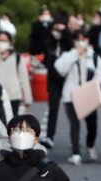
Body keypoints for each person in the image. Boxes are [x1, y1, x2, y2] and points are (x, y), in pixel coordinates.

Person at [54, 29, 101, 165]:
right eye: (78, 39)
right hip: (71, 95)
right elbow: (60, 69)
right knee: (74, 125)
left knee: (92, 123)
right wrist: (75, 54)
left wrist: (98, 83)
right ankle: (76, 152)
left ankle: (90, 145)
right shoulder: (69, 55)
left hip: (89, 94)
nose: (81, 42)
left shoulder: (94, 57)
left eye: (84, 39)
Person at [30, 13, 74, 149]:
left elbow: (72, 47)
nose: (57, 32)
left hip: (68, 78)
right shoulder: (49, 40)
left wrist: (65, 32)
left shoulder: (68, 41)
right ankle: (50, 136)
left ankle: (74, 136)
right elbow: (42, 48)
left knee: (71, 110)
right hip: (53, 79)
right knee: (53, 108)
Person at [0, 32, 34, 117]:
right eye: (0, 40)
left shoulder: (16, 57)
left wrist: (28, 99)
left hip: (13, 95)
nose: (2, 42)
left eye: (4, 40)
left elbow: (23, 78)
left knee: (13, 121)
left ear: (9, 43)